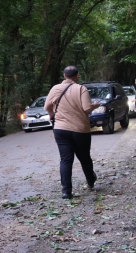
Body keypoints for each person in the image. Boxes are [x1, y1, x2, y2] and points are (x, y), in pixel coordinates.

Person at [44, 66, 100, 199]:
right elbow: (87, 108)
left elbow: (47, 107)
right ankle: (90, 182)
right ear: (77, 76)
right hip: (80, 129)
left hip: (61, 129)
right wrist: (96, 105)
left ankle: (66, 191)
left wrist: (52, 115)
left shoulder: (55, 88)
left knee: (65, 159)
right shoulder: (81, 89)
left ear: (64, 76)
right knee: (84, 157)